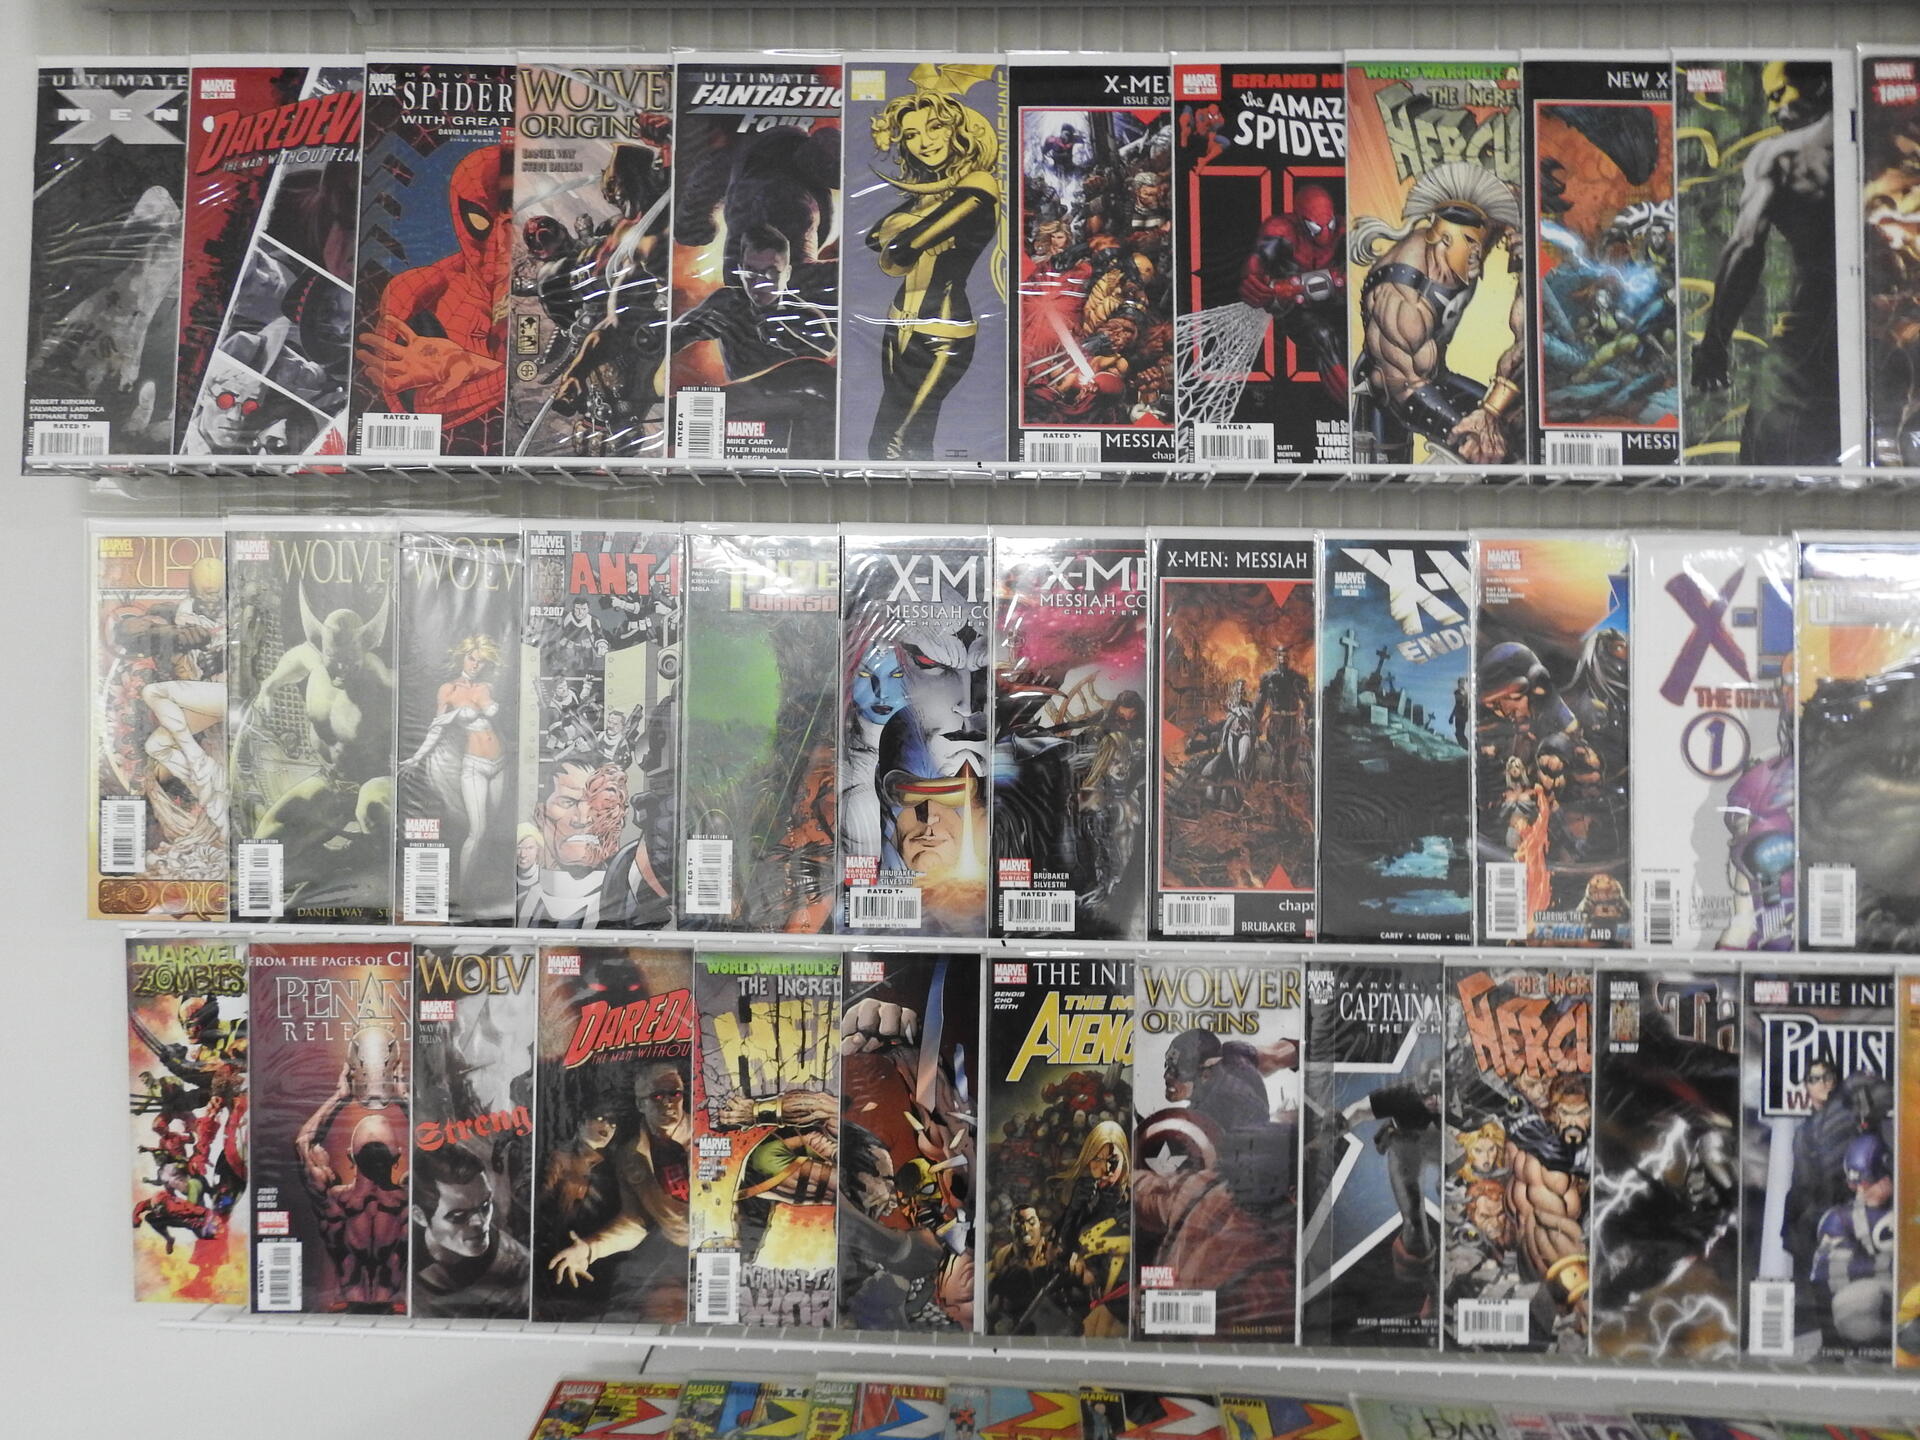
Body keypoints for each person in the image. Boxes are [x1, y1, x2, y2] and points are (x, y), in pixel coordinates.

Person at [862, 76, 1001, 459]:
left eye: (935, 127)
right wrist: (911, 226)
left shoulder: (980, 183)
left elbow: (901, 251)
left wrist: (908, 232)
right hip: (896, 323)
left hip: (942, 333)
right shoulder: (927, 195)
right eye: (911, 134)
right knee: (909, 441)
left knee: (892, 442)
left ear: (957, 130)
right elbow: (874, 239)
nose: (924, 142)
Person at [411, 1143, 530, 1317]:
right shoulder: (396, 1255)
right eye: (458, 1216)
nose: (480, 1222)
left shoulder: (520, 1270)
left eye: (485, 1206)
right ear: (419, 1216)